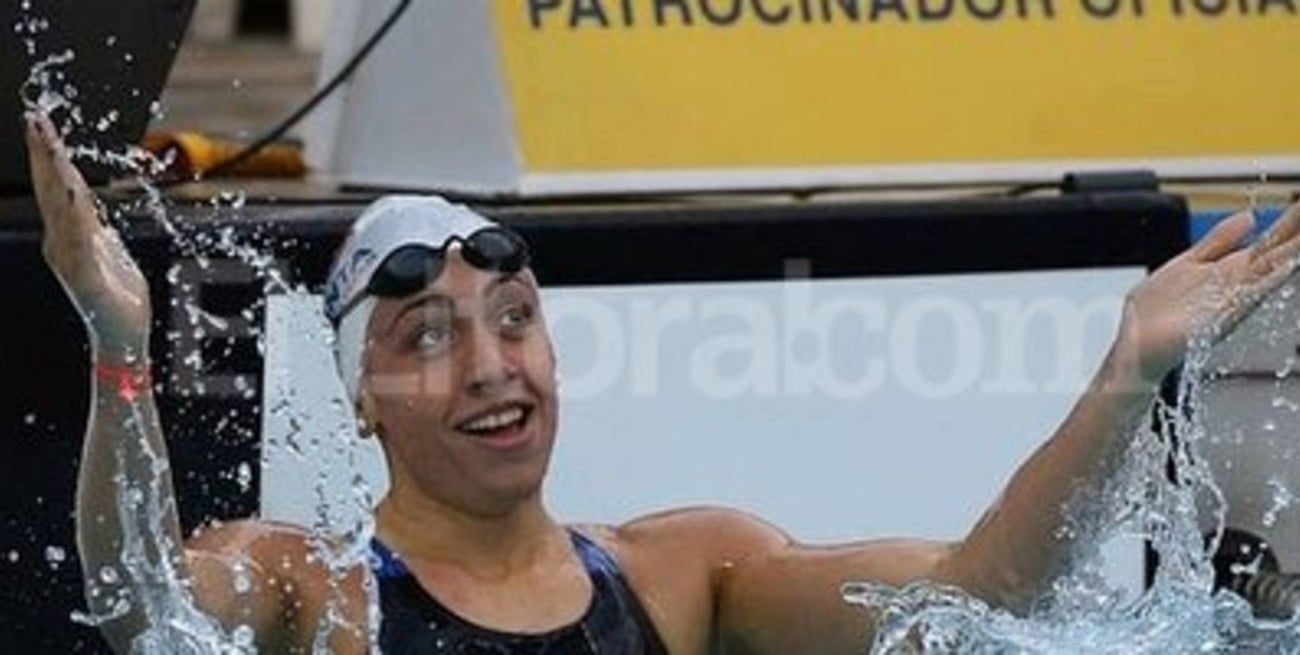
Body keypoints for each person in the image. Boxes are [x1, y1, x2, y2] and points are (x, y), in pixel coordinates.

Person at [25, 108, 1300, 655]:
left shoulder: (689, 575)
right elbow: (145, 609)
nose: (490, 366)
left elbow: (987, 596)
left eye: (514, 321)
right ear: (359, 396)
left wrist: (1127, 373)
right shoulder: (311, 588)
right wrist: (120, 350)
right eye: (426, 337)